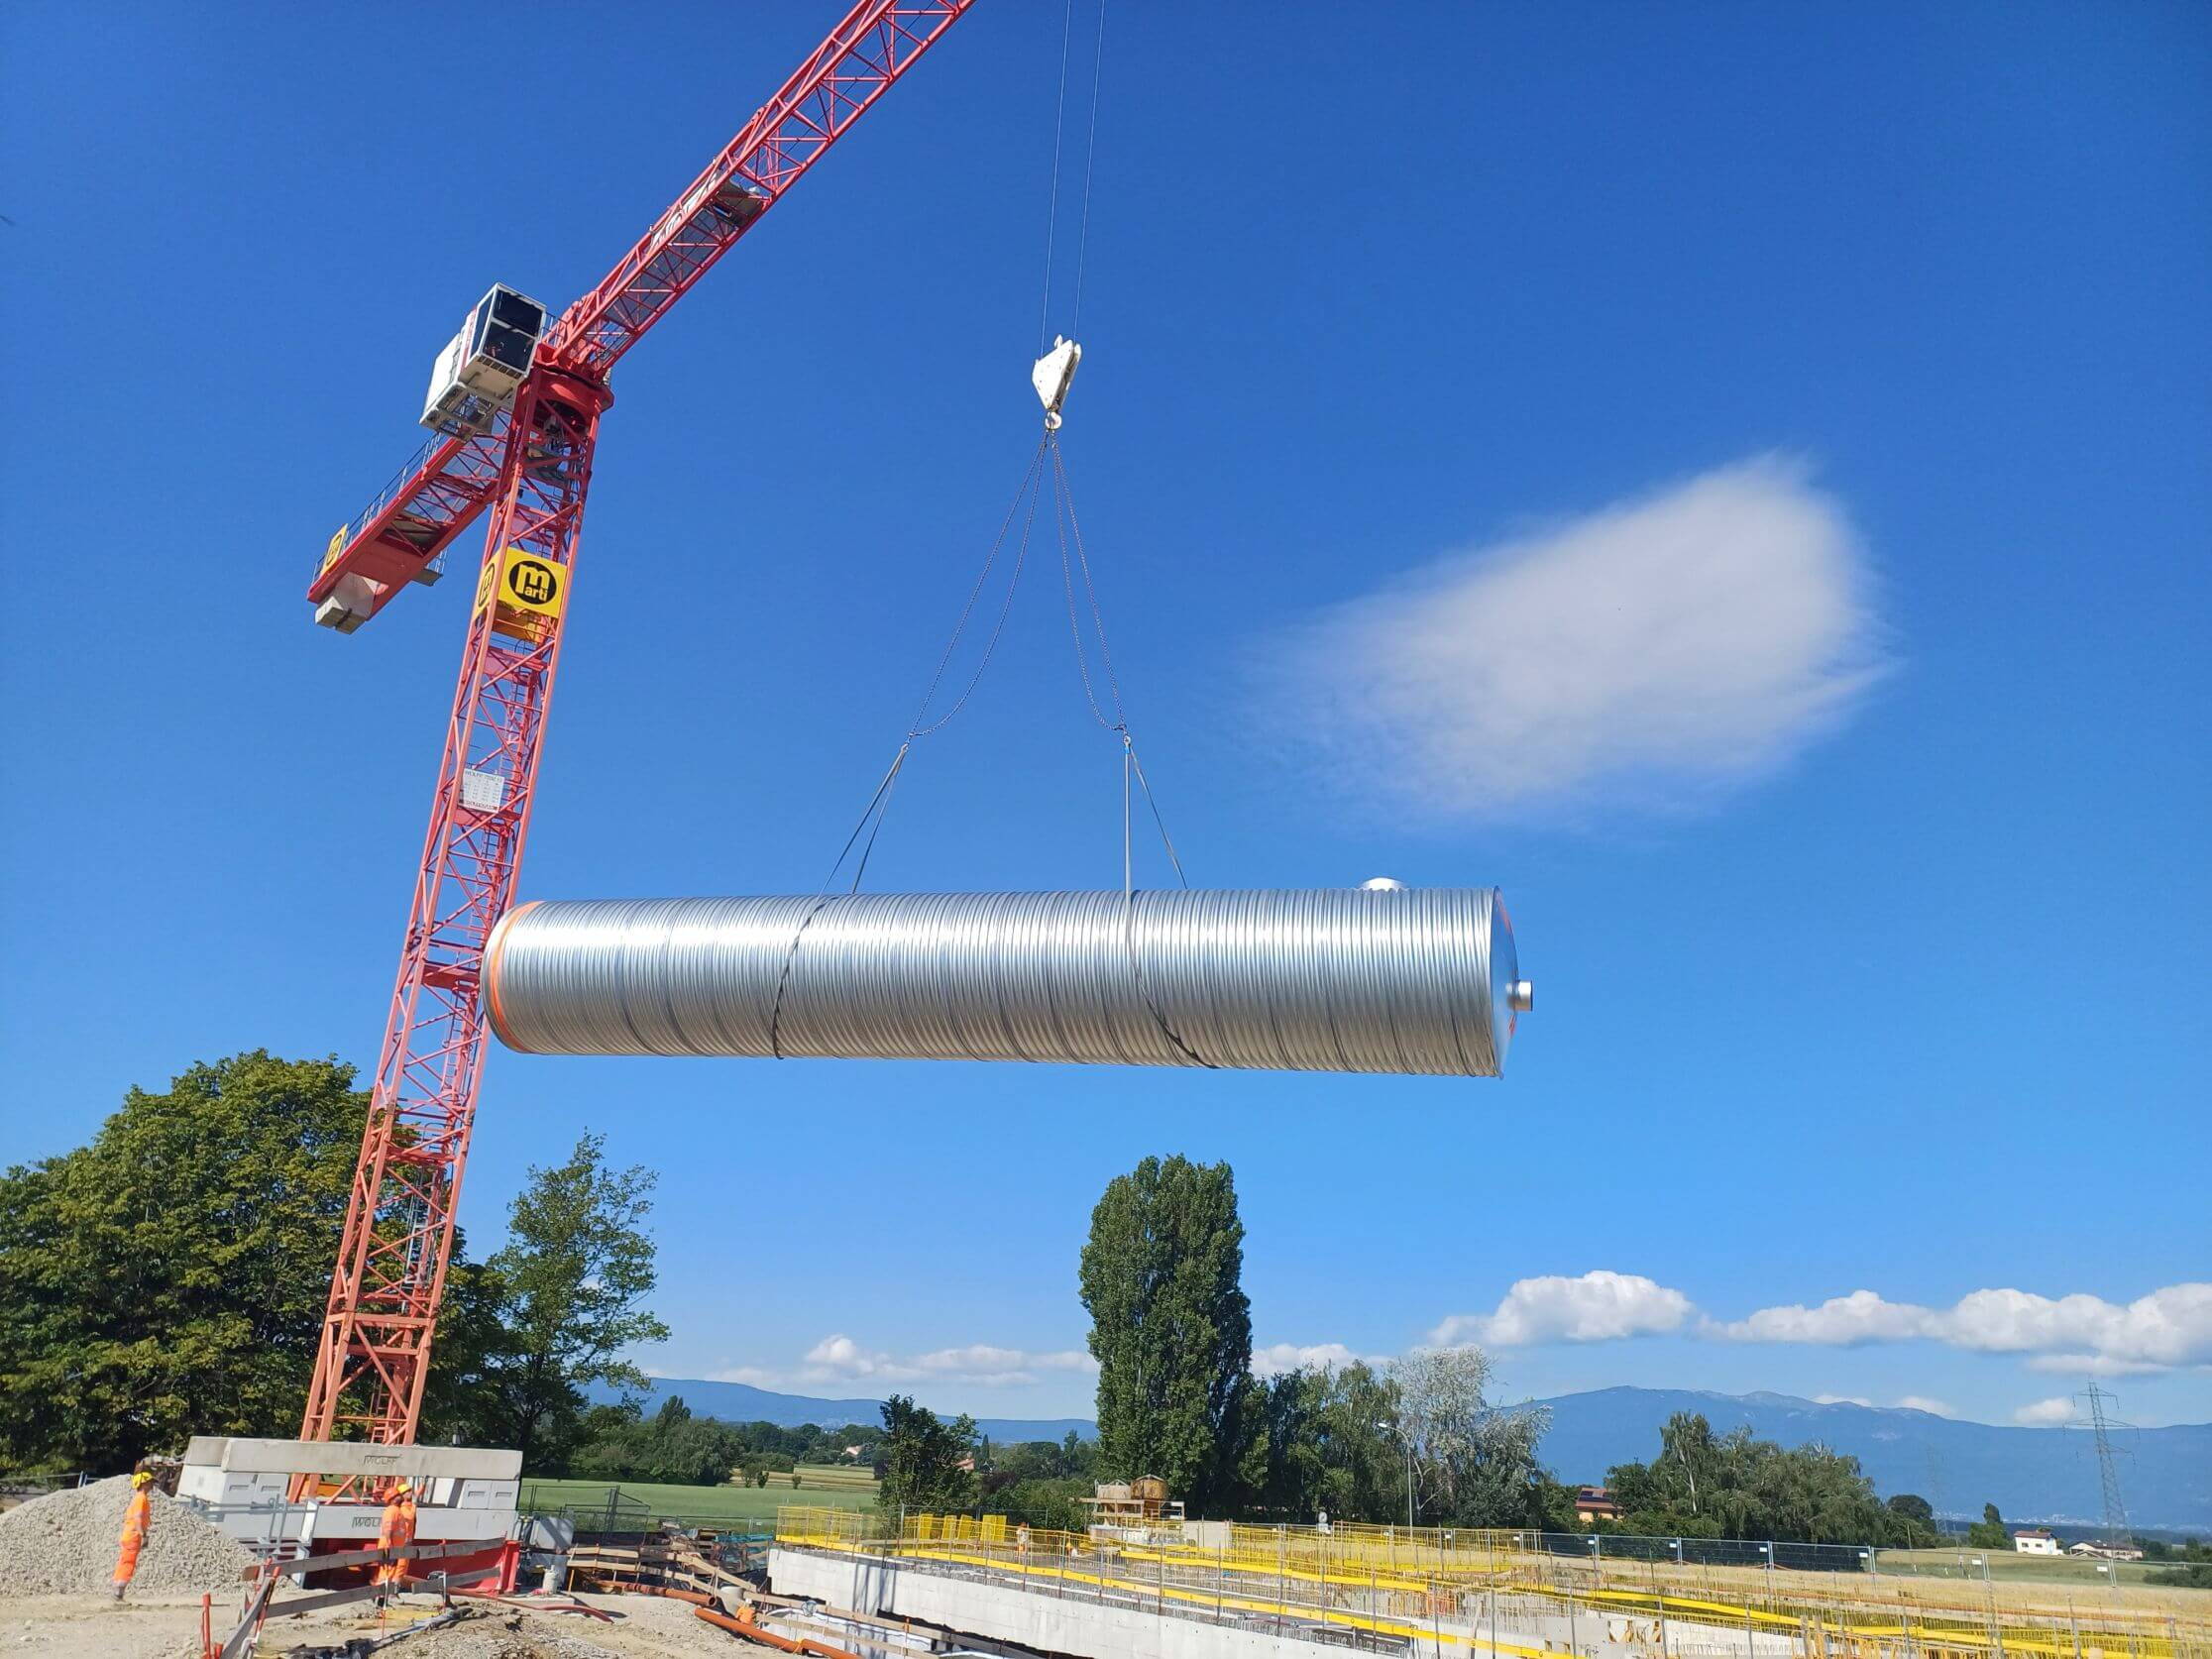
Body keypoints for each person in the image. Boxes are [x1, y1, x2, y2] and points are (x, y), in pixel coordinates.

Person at [112, 1471, 155, 1601]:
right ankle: (118, 1594)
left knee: (125, 1561)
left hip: (129, 1535)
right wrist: (143, 1535)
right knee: (128, 1563)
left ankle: (118, 1591)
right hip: (133, 1536)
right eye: (150, 1482)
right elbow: (138, 1518)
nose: (152, 1485)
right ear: (143, 1483)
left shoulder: (139, 1498)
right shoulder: (141, 1498)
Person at [373, 1480, 417, 1599]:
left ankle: (388, 1593)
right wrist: (389, 1545)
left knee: (393, 1570)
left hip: (397, 1546)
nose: (408, 1494)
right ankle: (382, 1594)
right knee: (387, 1571)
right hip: (391, 1546)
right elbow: (388, 1529)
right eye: (398, 1495)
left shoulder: (397, 1510)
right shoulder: (393, 1510)